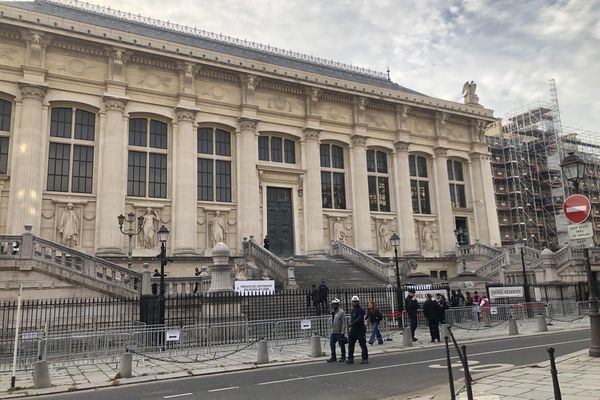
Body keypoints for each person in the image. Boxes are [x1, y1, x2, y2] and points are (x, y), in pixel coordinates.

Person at [346, 296, 368, 364]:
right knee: (351, 344)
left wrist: (352, 323)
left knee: (362, 344)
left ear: (358, 302)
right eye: (353, 302)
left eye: (356, 301)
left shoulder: (361, 310)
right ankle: (350, 358)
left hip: (360, 329)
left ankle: (365, 358)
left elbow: (360, 318)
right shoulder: (353, 310)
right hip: (353, 330)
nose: (354, 303)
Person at [327, 298, 347, 363]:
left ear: (338, 305)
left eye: (335, 304)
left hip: (339, 332)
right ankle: (333, 356)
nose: (334, 306)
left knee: (341, 344)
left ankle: (343, 356)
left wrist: (343, 332)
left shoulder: (341, 312)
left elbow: (344, 322)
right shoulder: (332, 313)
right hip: (333, 332)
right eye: (333, 305)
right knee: (332, 344)